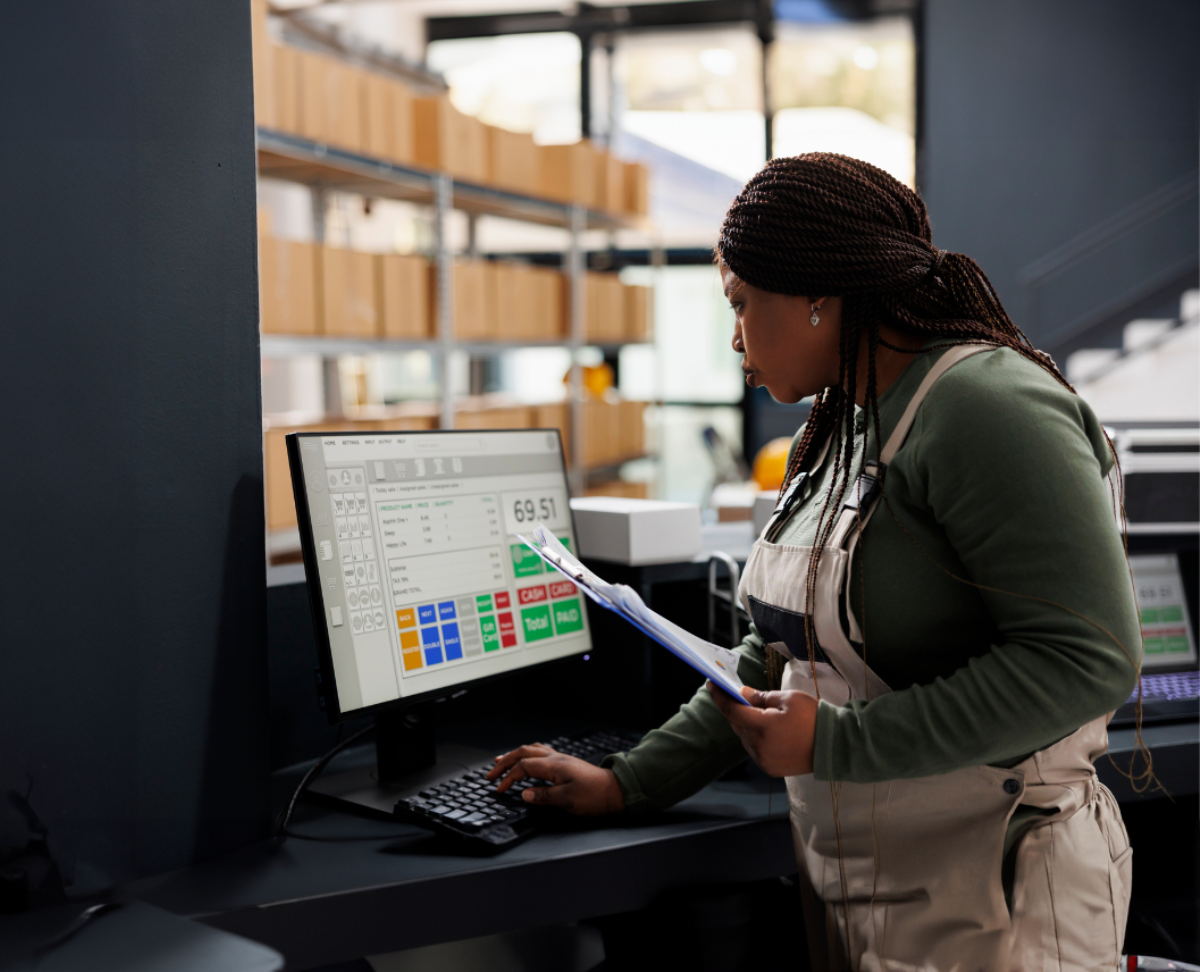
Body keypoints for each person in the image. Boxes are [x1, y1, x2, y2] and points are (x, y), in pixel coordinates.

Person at [488, 153, 1142, 971]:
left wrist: (835, 743)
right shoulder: (836, 429)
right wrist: (629, 780)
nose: (733, 337)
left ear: (816, 297)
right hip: (863, 879)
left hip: (1002, 891)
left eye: (740, 303)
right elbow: (779, 657)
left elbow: (1088, 660)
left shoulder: (990, 408)